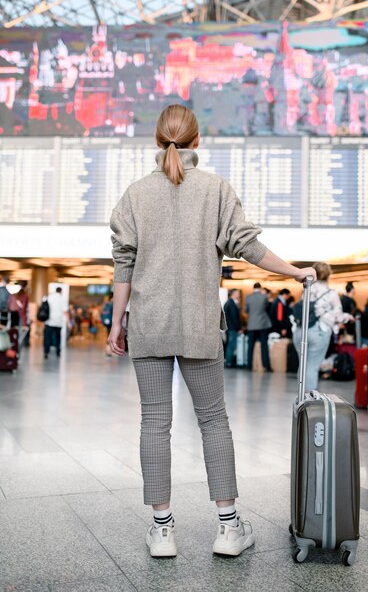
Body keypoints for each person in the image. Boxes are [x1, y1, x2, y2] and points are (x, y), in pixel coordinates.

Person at [108, 104, 316, 559]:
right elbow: (249, 247)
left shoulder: (135, 195)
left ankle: (162, 531)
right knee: (213, 421)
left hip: (150, 326)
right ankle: (228, 527)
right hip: (200, 325)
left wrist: (116, 323)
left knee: (154, 423)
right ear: (197, 141)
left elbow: (123, 264)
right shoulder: (215, 190)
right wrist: (294, 272)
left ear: (158, 142)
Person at [293, 262, 353, 391]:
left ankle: (301, 396)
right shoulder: (331, 293)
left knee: (302, 365)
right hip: (318, 331)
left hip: (299, 331)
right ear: (328, 275)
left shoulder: (306, 290)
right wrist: (348, 317)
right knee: (312, 366)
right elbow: (338, 315)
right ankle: (308, 400)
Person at [245, 283, 272, 372]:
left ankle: (249, 365)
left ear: (253, 288)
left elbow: (246, 310)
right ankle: (266, 366)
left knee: (250, 346)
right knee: (264, 345)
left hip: (251, 324)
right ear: (260, 288)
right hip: (262, 324)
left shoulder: (248, 297)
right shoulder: (264, 297)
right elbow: (267, 307)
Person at [43, 286, 67, 359]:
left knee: (47, 337)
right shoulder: (63, 299)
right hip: (58, 322)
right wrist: (67, 322)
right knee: (58, 337)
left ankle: (46, 352)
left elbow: (44, 305)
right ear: (61, 291)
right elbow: (65, 311)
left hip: (49, 321)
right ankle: (58, 351)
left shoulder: (49, 297)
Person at [223, 289, 242, 368]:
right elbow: (234, 317)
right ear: (233, 294)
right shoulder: (231, 304)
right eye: (237, 293)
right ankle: (229, 362)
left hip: (229, 327)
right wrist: (239, 328)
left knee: (230, 345)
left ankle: (228, 361)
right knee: (231, 345)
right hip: (232, 328)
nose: (239, 295)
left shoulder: (228, 303)